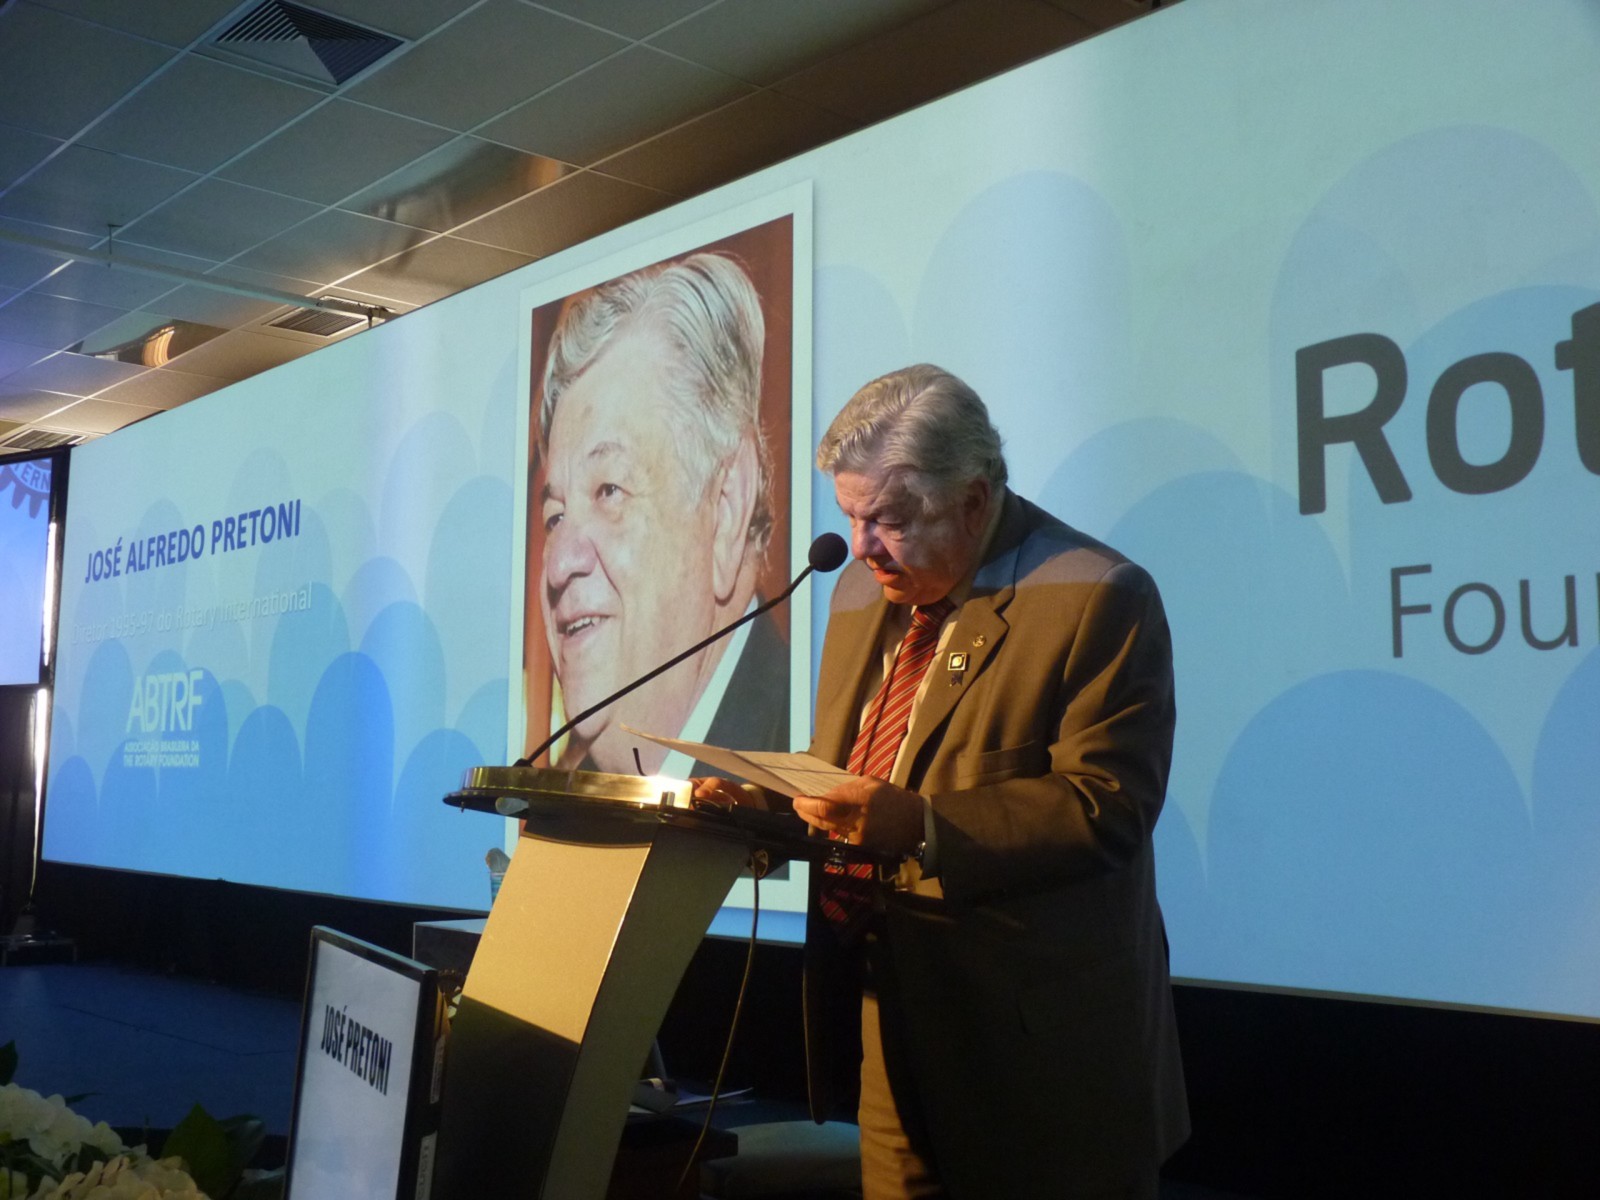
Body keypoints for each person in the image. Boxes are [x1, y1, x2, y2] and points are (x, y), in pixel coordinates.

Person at [698, 364, 1188, 1198]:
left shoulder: (1096, 595)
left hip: (1042, 1063)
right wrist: (763, 810)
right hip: (893, 1029)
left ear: (973, 498)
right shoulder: (861, 593)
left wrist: (925, 828)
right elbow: (856, 769)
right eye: (852, 517)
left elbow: (1106, 806)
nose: (862, 546)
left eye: (890, 520)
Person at [533, 252, 787, 775]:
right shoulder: (560, 790)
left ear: (726, 509)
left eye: (609, 491)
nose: (558, 565)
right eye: (555, 517)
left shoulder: (803, 769)